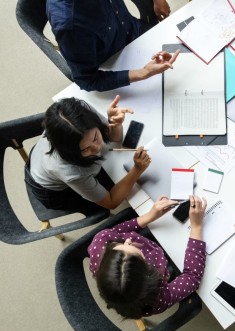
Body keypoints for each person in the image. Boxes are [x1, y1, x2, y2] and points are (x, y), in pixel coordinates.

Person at [88, 195, 207, 319]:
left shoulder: (101, 242)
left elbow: (117, 232)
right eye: (136, 252)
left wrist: (150, 216)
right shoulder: (156, 300)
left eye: (120, 244)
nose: (127, 240)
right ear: (150, 271)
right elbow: (192, 277)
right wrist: (197, 226)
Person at [25, 96, 150, 213]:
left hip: (40, 159)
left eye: (95, 137)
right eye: (85, 149)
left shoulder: (78, 117)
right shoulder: (72, 172)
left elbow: (114, 138)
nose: (97, 148)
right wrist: (137, 170)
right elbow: (111, 202)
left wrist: (115, 123)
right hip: (52, 191)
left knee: (115, 173)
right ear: (71, 151)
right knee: (111, 190)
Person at [46, 0, 179, 91]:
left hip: (135, 30)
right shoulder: (69, 26)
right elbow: (87, 80)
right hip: (115, 63)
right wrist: (143, 73)